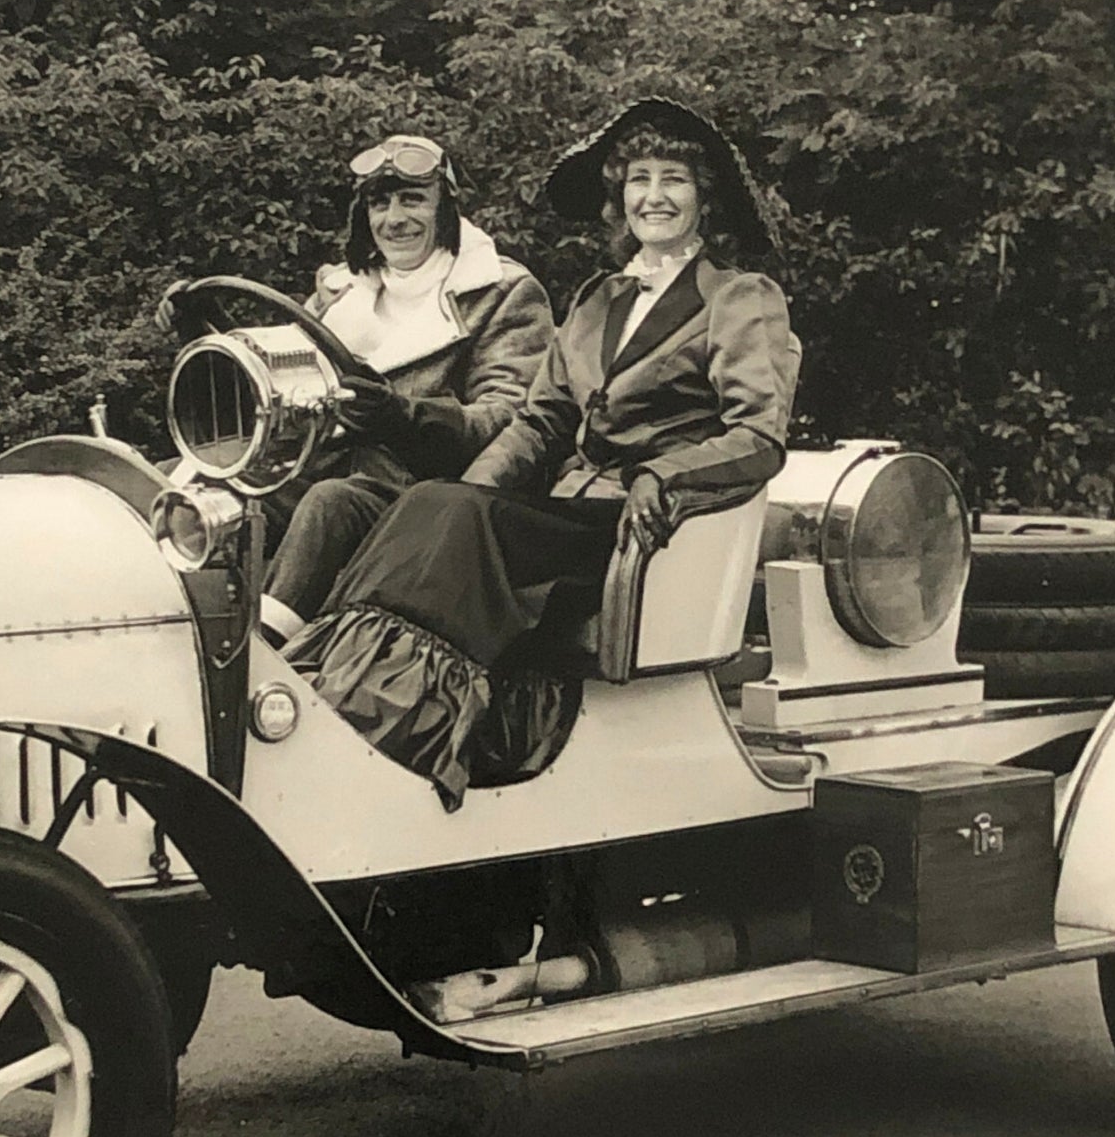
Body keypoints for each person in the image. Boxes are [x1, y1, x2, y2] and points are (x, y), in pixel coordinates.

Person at [284, 98, 797, 810]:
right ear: (618, 197)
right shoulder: (598, 299)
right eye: (638, 179)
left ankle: (384, 726)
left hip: (640, 525)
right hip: (563, 512)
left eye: (673, 179)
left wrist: (664, 473)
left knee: (454, 513)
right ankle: (327, 696)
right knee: (433, 503)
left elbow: (757, 436)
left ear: (703, 197)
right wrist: (460, 492)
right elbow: (536, 426)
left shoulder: (740, 298)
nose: (653, 196)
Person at [156, 134, 553, 644]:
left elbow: (508, 420)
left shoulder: (502, 291)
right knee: (177, 480)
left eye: (413, 198)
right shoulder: (346, 290)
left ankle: (266, 657)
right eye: (379, 202)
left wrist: (403, 416)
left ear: (446, 208)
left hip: (424, 493)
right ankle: (162, 631)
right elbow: (276, 389)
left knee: (330, 505)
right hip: (317, 463)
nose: (394, 219)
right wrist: (201, 331)